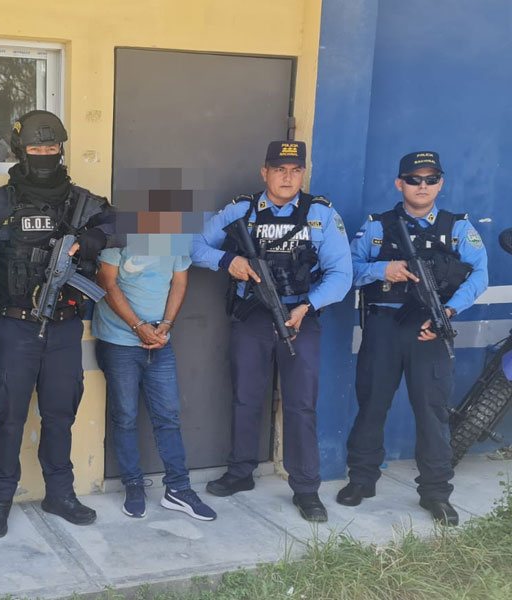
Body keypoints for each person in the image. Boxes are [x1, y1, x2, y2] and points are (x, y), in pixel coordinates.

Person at [0, 110, 114, 537]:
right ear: (21, 151)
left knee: (60, 414)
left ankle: (60, 494)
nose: (45, 154)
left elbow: (127, 224)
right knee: (8, 417)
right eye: (36, 148)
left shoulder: (80, 201)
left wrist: (94, 238)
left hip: (65, 326)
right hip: (16, 327)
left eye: (51, 147)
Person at [191, 140, 352, 522]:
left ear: (303, 173)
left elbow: (342, 274)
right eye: (280, 169)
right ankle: (240, 472)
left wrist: (307, 306)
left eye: (295, 170)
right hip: (253, 317)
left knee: (301, 404)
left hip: (300, 317)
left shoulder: (321, 214)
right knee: (246, 398)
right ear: (265, 172)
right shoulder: (241, 210)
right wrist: (228, 260)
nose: (287, 177)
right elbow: (195, 246)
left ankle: (306, 489)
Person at [338, 151, 487, 526]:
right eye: (414, 179)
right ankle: (362, 480)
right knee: (372, 406)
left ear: (440, 183)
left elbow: (479, 275)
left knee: (432, 413)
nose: (422, 186)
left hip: (431, 329)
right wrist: (382, 269)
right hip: (384, 327)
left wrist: (448, 312)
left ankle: (436, 493)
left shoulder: (457, 227)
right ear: (399, 183)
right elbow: (346, 270)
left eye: (430, 179)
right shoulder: (377, 226)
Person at [93, 247, 217, 521]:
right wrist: (138, 326)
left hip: (161, 342)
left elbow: (179, 282)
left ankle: (178, 489)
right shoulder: (119, 235)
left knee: (168, 417)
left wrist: (167, 324)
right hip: (119, 342)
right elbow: (107, 283)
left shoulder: (174, 236)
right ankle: (133, 484)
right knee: (125, 417)